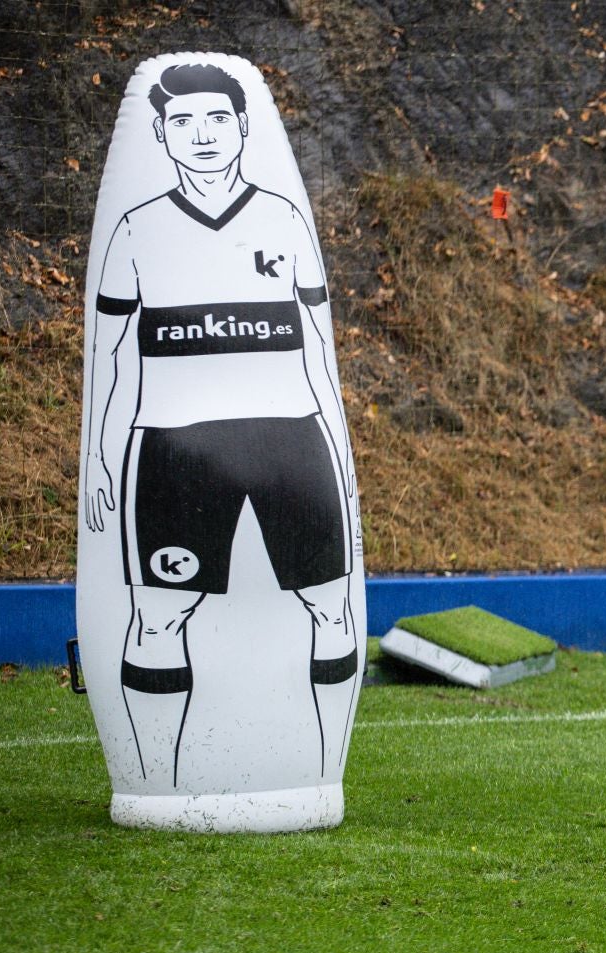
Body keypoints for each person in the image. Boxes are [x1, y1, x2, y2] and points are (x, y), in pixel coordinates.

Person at [82, 62, 359, 787]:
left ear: (243, 127)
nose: (201, 136)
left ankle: (321, 775)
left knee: (329, 609)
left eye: (216, 120)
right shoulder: (138, 231)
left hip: (290, 442)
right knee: (158, 619)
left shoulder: (284, 219)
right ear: (161, 134)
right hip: (173, 449)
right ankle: (157, 787)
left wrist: (342, 460)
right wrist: (103, 460)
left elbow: (321, 354)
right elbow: (110, 357)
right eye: (182, 122)